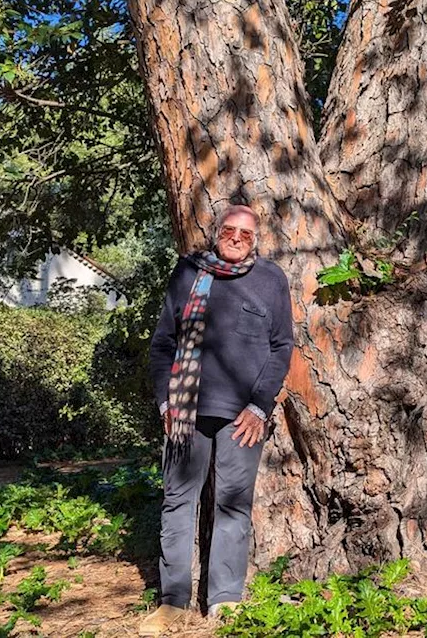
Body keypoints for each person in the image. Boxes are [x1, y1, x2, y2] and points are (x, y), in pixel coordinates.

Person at [138, 204, 294, 635]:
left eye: (246, 234)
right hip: (184, 413)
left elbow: (282, 347)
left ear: (256, 239)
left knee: (232, 506)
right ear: (216, 231)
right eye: (230, 230)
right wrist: (166, 404)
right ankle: (172, 602)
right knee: (177, 503)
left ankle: (224, 601)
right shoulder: (188, 272)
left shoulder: (270, 280)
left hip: (243, 417)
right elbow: (163, 343)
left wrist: (259, 405)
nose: (237, 238)